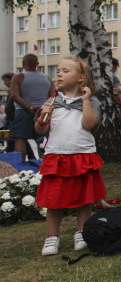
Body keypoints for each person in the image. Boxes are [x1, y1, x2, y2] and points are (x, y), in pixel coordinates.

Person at [33, 58, 105, 256]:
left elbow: (90, 124)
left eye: (65, 70)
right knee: (53, 200)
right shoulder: (52, 101)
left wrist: (85, 101)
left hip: (82, 155)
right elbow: (40, 129)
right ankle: (51, 237)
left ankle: (81, 232)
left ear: (81, 78)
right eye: (58, 71)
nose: (59, 74)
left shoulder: (91, 101)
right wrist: (43, 117)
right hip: (57, 156)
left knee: (83, 198)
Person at [9, 54, 52, 160]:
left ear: (23, 64)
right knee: (43, 140)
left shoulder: (19, 77)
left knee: (20, 139)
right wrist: (42, 107)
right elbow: (53, 96)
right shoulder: (46, 78)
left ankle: (21, 167)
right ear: (37, 64)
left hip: (23, 112)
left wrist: (29, 107)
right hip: (42, 112)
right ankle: (43, 165)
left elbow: (14, 95)